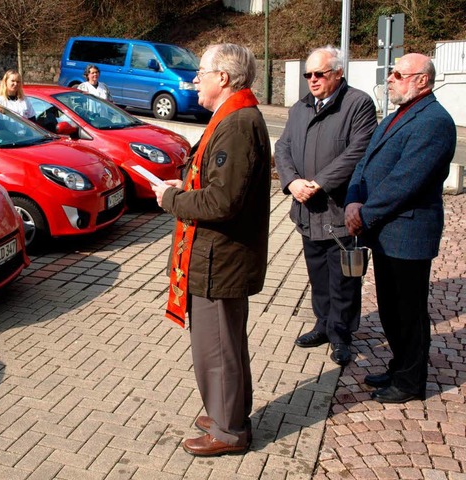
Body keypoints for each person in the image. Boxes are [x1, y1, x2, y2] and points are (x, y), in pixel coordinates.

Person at [152, 43, 271, 457]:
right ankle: (228, 410)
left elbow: (222, 201)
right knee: (224, 343)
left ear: (224, 78)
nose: (194, 79)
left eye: (201, 71)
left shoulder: (238, 123)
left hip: (220, 259)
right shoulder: (235, 116)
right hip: (217, 256)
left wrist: (171, 199)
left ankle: (229, 430)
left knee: (217, 347)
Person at [345, 53, 456, 403]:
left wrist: (365, 212)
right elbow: (365, 161)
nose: (390, 78)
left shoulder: (435, 121)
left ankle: (410, 381)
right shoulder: (396, 116)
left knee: (409, 310)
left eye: (398, 74)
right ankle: (399, 366)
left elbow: (407, 180)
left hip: (408, 232)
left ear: (422, 80)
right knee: (391, 308)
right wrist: (352, 199)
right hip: (383, 230)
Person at [274, 46, 377, 366]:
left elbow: (357, 151)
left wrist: (318, 182)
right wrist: (292, 182)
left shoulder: (358, 103)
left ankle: (342, 334)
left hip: (339, 208)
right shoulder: (300, 107)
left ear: (338, 73)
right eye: (308, 74)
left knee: (344, 276)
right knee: (317, 272)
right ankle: (323, 323)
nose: (313, 80)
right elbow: (283, 147)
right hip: (306, 208)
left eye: (320, 74)